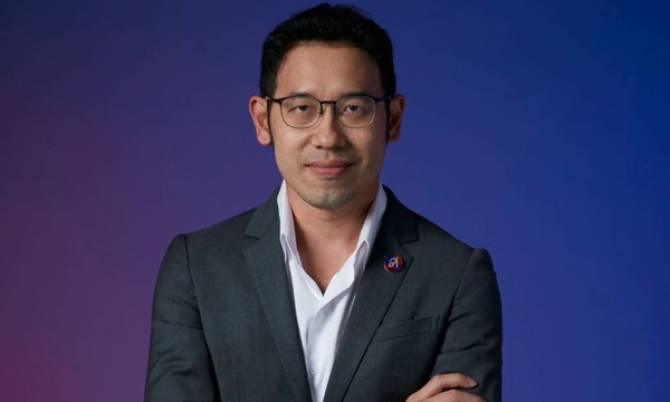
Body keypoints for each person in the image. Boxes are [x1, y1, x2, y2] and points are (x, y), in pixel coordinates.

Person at [144, 4, 502, 402]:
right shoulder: (198, 267)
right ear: (262, 120)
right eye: (302, 108)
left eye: (354, 108)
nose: (328, 137)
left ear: (393, 119)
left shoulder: (456, 274)